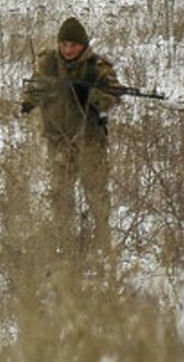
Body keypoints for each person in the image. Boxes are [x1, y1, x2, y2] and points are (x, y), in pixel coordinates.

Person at [21, 17, 121, 254]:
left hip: (89, 142)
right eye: (63, 44)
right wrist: (30, 100)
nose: (67, 50)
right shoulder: (47, 63)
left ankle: (102, 241)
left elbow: (111, 98)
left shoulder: (97, 67)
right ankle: (66, 245)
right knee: (60, 195)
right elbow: (33, 89)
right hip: (58, 142)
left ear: (83, 45)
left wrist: (90, 94)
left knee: (96, 193)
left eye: (73, 45)